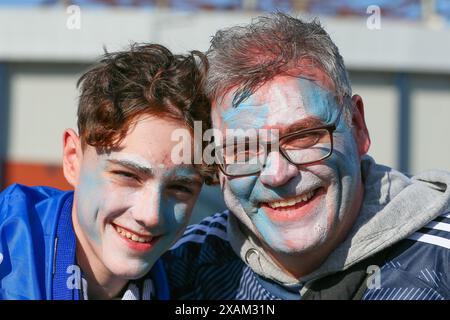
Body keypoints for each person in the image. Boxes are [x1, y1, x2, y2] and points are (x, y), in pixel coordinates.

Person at [163, 13, 450, 300]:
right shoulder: (179, 268)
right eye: (243, 149)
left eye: (303, 136)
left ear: (357, 126)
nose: (277, 174)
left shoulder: (441, 262)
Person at [0, 43, 212, 299]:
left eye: (179, 188)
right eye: (128, 176)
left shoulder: (195, 281)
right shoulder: (9, 251)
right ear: (72, 159)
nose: (151, 215)